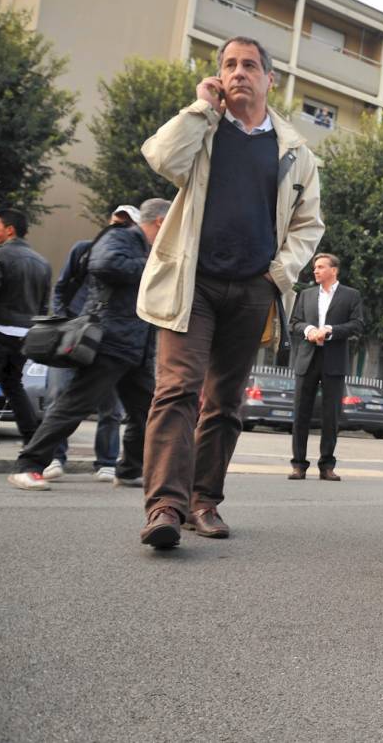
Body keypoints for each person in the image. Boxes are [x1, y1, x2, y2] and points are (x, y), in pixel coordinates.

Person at [136, 34, 324, 548]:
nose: (238, 72)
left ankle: (204, 501)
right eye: (228, 65)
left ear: (269, 78)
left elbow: (310, 224)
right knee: (177, 390)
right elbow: (161, 158)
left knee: (224, 402)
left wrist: (279, 273)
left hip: (252, 290)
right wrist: (201, 106)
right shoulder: (205, 128)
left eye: (248, 65)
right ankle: (165, 508)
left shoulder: (293, 151)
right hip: (191, 284)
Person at [7, 200, 169, 492]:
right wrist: (153, 266)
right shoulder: (121, 237)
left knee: (144, 411)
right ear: (160, 221)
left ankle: (130, 470)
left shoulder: (147, 248)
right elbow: (104, 263)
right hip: (111, 341)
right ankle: (28, 465)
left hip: (137, 346)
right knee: (74, 405)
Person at [39, 205, 143, 484]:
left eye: (127, 222)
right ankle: (54, 458)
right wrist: (64, 318)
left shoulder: (132, 255)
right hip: (74, 333)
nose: (120, 225)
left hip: (105, 336)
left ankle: (107, 461)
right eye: (117, 219)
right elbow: (62, 287)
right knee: (60, 396)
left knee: (111, 405)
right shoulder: (85, 249)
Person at [288, 253, 364, 481]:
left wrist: (330, 330)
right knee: (301, 413)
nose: (316, 271)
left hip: (334, 360)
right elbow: (294, 323)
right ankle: (298, 465)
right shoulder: (306, 295)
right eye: (315, 267)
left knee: (331, 416)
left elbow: (357, 324)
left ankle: (327, 466)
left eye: (321, 267)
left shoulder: (351, 296)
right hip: (307, 358)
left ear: (334, 270)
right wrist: (308, 330)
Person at [0, 209, 52, 446]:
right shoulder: (42, 262)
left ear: (10, 230)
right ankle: (31, 436)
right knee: (12, 384)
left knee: (11, 384)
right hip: (25, 334)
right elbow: (44, 304)